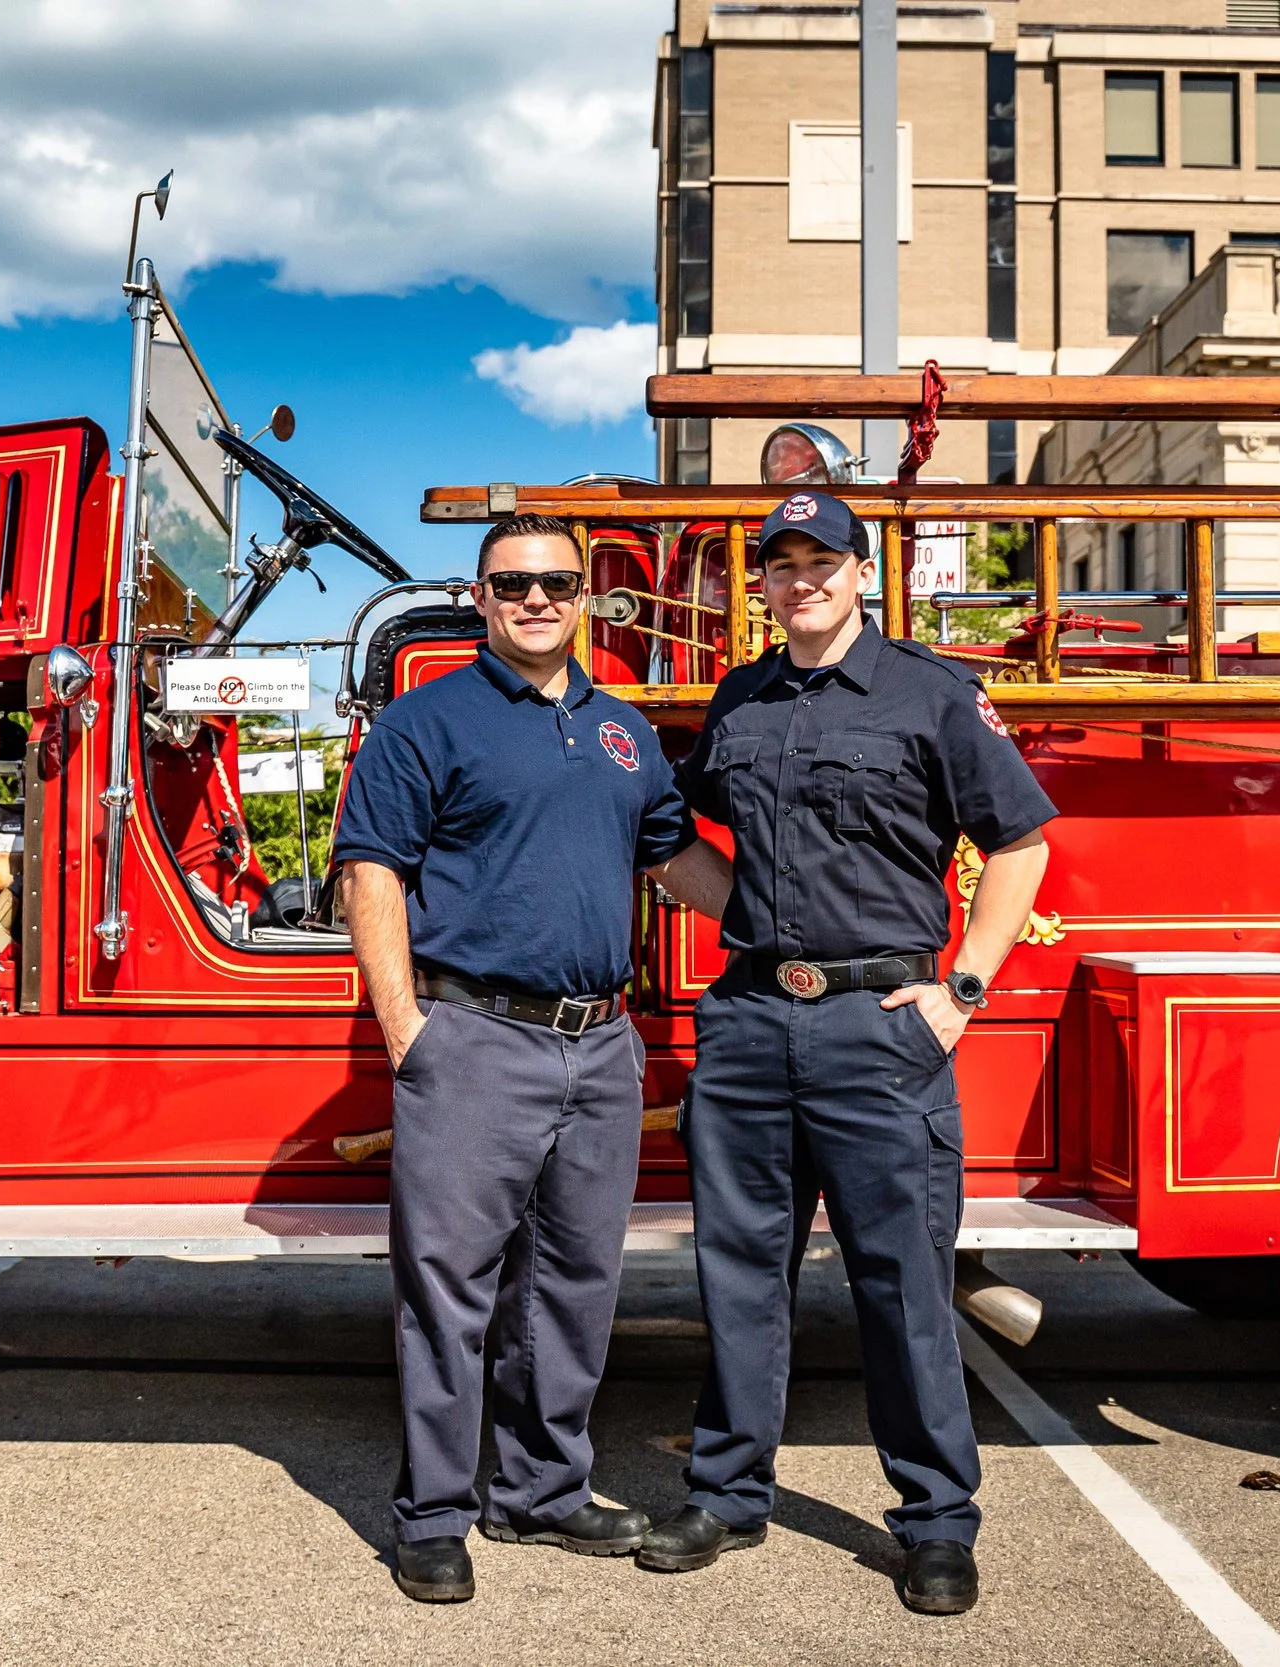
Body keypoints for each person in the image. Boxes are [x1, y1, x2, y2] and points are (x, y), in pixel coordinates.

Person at [638, 489, 1056, 1616]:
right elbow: (666, 836)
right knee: (737, 1276)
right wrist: (749, 923)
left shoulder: (931, 694)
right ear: (762, 585)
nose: (802, 578)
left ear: (861, 573)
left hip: (881, 1029)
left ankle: (934, 1520)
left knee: (902, 1282)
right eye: (781, 564)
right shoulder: (738, 700)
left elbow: (1018, 841)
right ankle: (726, 1495)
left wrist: (960, 988)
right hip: (751, 1022)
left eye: (823, 559)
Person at [335, 512, 735, 1605]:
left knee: (573, 1285)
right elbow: (370, 872)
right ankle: (432, 1513)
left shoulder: (623, 731)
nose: (536, 600)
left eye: (557, 581)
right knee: (448, 1289)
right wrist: (406, 1027)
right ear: (480, 595)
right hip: (473, 1037)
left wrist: (777, 920)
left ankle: (543, 1490)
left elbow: (673, 857)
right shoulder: (425, 722)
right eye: (512, 583)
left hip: (600, 1043)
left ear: (586, 596)